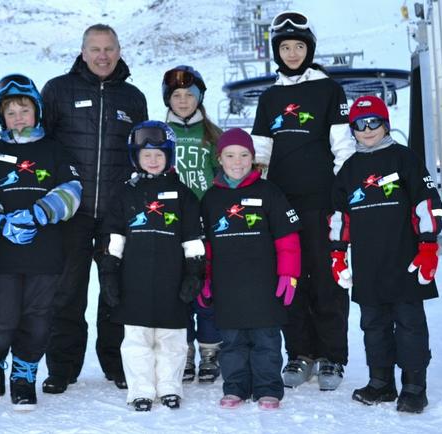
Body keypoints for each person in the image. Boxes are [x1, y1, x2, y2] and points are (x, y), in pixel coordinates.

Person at [250, 10, 356, 391]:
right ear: (276, 52)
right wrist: (256, 193)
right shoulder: (270, 97)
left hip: (322, 202)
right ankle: (300, 352)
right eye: (285, 47)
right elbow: (260, 152)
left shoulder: (328, 90)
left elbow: (343, 148)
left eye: (298, 46)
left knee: (327, 279)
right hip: (281, 206)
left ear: (308, 49)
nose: (292, 53)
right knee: (289, 279)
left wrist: (340, 198)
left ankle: (332, 356)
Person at [40, 23, 148, 393]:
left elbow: (141, 155)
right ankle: (62, 367)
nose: (103, 55)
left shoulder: (133, 98)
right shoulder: (56, 90)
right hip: (71, 213)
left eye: (109, 48)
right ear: (83, 52)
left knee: (115, 289)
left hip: (116, 214)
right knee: (67, 291)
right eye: (95, 49)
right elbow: (43, 149)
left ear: (119, 51)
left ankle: (117, 364)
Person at [329, 95, 442, 414]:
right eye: (359, 125)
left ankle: (413, 385)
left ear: (385, 123)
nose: (367, 129)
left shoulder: (404, 159)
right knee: (373, 325)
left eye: (373, 122)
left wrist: (429, 246)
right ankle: (380, 382)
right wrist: (338, 256)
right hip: (368, 266)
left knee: (409, 324)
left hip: (405, 262)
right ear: (352, 129)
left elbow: (426, 204)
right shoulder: (349, 170)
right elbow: (339, 217)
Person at [0, 74, 82, 410]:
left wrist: (40, 213)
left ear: (36, 111)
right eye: (10, 112)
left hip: (45, 251)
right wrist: (0, 221)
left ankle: (24, 375)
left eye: (24, 109)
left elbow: (72, 190)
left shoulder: (54, 150)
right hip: (5, 251)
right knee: (4, 316)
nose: (18, 116)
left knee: (39, 317)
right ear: (1, 117)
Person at [99, 120, 205, 411]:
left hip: (173, 280)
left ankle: (170, 387)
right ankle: (140, 390)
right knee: (136, 341)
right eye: (146, 155)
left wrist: (194, 273)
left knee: (172, 340)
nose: (153, 160)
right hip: (134, 280)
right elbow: (114, 236)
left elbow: (192, 238)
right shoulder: (125, 193)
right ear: (136, 157)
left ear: (169, 156)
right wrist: (109, 272)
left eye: (159, 154)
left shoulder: (184, 195)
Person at [200, 128, 301, 409]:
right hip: (227, 285)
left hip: (264, 284)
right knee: (231, 343)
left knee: (266, 341)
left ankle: (268, 387)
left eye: (244, 155)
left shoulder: (269, 192)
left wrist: (289, 274)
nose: (237, 161)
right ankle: (235, 387)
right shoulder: (210, 199)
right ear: (219, 159)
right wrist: (204, 279)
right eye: (230, 155)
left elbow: (287, 239)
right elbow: (205, 246)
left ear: (253, 158)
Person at [162, 65, 223, 383]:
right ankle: (183, 352)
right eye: (176, 95)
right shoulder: (158, 134)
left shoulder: (213, 135)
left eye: (190, 95)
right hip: (171, 229)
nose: (183, 100)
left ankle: (211, 351)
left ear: (200, 98)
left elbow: (226, 181)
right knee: (177, 294)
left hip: (206, 229)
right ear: (167, 99)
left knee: (206, 293)